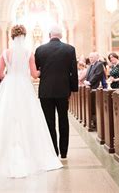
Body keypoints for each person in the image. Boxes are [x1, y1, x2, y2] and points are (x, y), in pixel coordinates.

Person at [0, 25, 63, 177]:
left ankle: (4, 153)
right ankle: (31, 153)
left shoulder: (5, 53)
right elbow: (35, 74)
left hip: (9, 87)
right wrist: (47, 70)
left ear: (11, 36)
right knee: (28, 117)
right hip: (24, 86)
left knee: (7, 117)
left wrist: (8, 75)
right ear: (25, 36)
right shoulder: (29, 52)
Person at [35, 24, 78, 159]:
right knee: (63, 120)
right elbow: (73, 72)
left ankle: (53, 151)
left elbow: (37, 70)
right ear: (61, 36)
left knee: (49, 121)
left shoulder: (40, 49)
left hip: (45, 91)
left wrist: (45, 74)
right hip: (63, 90)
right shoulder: (70, 49)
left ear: (49, 35)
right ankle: (64, 152)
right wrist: (73, 89)